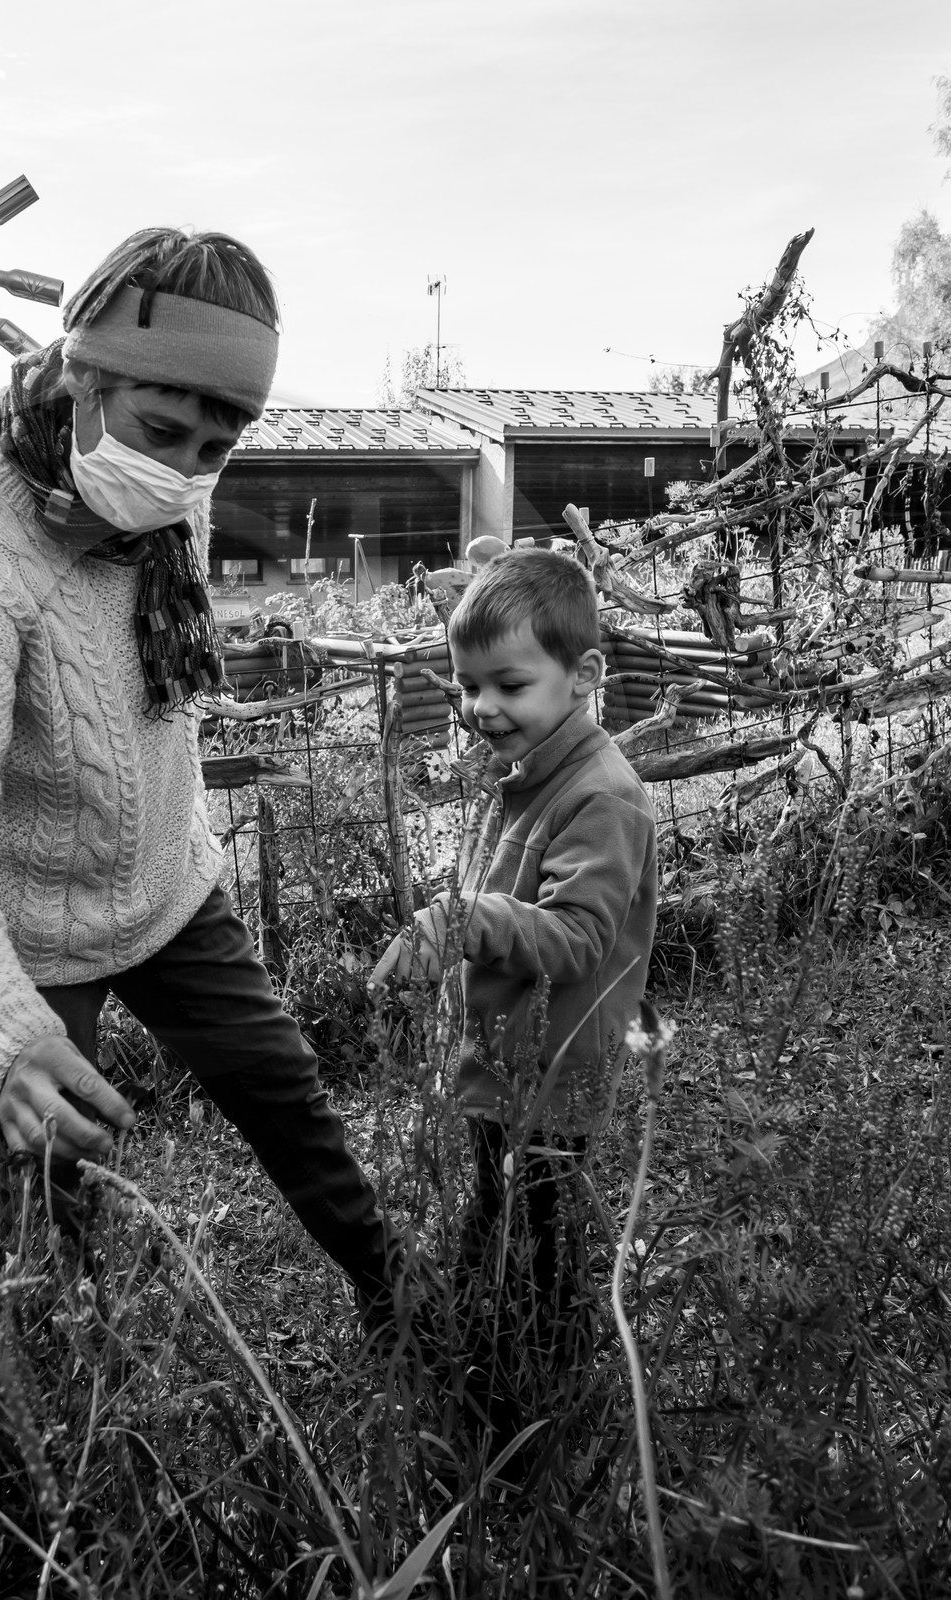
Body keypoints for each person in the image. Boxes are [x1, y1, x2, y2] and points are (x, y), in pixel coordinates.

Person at [0, 227, 399, 1319]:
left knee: (282, 1088)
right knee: (55, 1169)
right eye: (162, 429)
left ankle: (406, 1301)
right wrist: (0, 1036)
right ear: (75, 375)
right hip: (29, 926)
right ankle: (61, 1412)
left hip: (164, 883)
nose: (184, 471)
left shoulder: (163, 493)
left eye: (216, 443)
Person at [371, 547, 658, 1362]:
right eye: (468, 686)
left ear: (585, 673)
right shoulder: (535, 774)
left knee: (540, 1246)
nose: (480, 707)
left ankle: (543, 1384)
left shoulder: (601, 796)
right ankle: (476, 1345)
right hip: (509, 1066)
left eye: (509, 685)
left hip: (554, 1076)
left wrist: (464, 919)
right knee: (497, 1218)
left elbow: (574, 939)